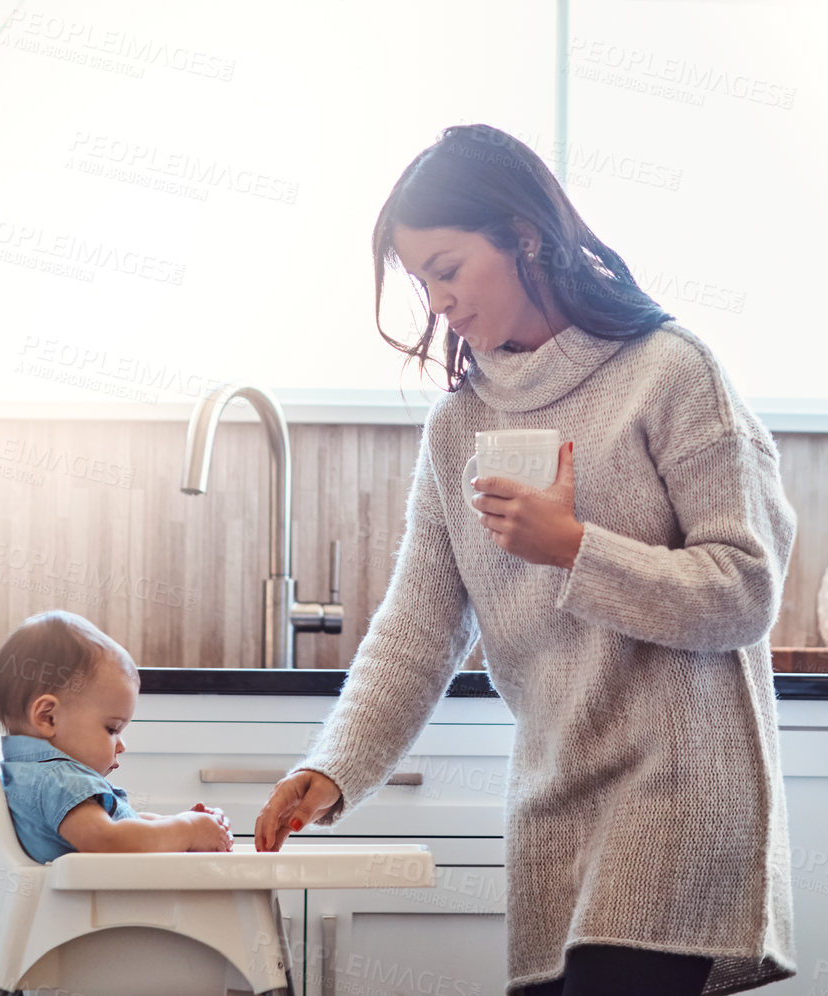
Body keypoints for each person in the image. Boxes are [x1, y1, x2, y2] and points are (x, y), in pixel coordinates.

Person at [254, 124, 799, 996]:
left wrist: (574, 549)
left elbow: (744, 590)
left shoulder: (671, 371)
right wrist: (334, 767)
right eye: (419, 279)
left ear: (525, 236)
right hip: (553, 802)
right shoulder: (459, 427)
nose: (435, 302)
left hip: (680, 794)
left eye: (447, 267)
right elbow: (418, 628)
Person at [0, 609, 233, 862]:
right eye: (112, 729)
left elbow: (125, 824)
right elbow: (109, 839)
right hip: (93, 903)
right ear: (48, 717)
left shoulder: (30, 776)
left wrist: (178, 823)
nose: (121, 745)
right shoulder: (59, 778)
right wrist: (188, 830)